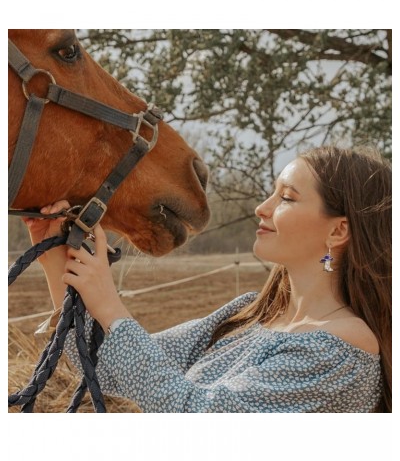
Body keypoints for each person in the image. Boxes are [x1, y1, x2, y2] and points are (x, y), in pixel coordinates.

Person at [24, 146, 392, 412]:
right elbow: (117, 371)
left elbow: (197, 420)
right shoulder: (248, 314)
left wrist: (109, 303)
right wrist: (56, 261)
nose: (261, 208)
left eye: (287, 198)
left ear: (339, 230)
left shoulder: (338, 349)